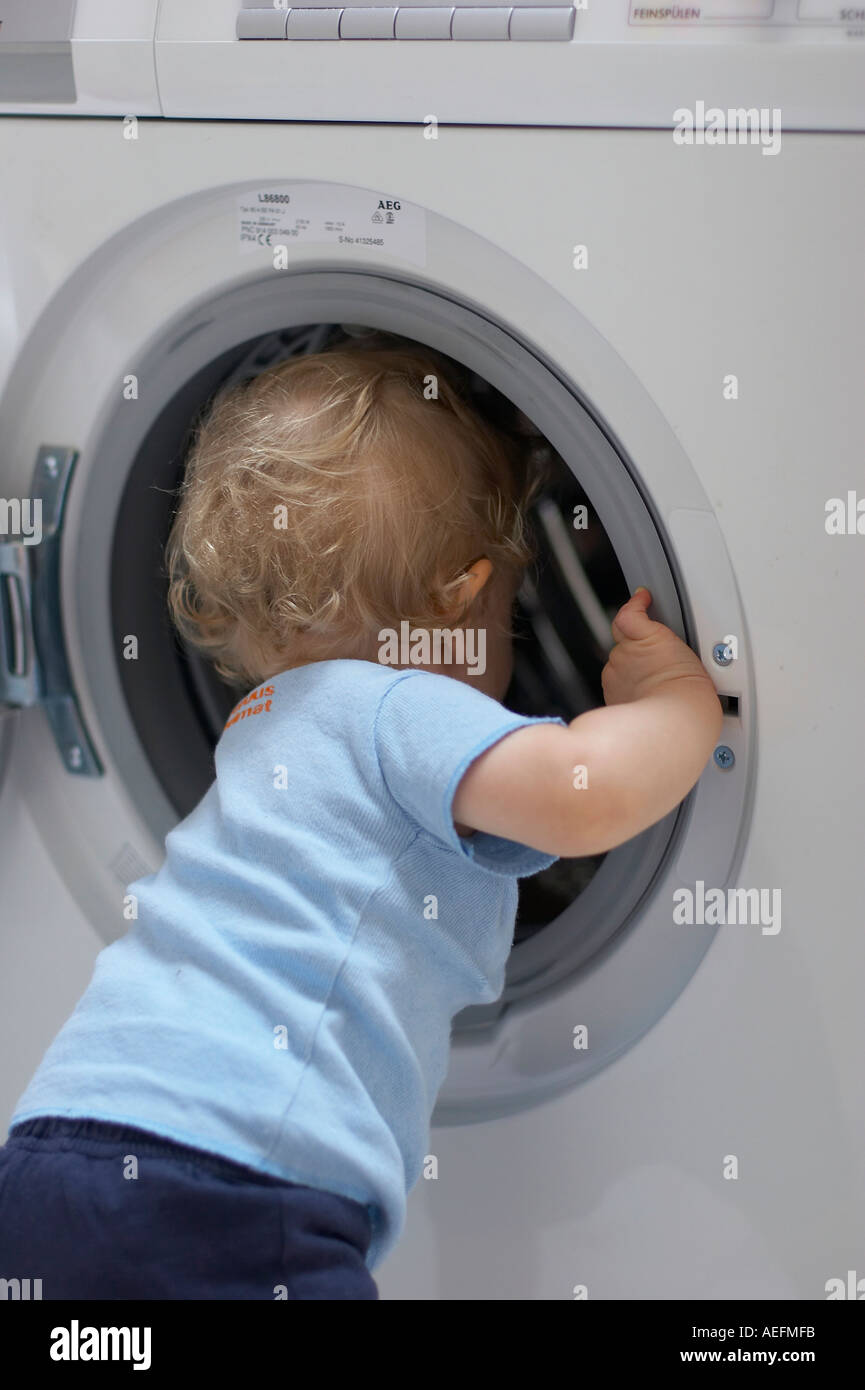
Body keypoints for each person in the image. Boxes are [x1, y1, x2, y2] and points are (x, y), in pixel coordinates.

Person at [0, 345, 722, 1299]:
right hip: (228, 1183)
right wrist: (676, 706)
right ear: (459, 600)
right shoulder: (396, 705)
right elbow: (584, 791)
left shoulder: (261, 728)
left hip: (55, 1151)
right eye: (507, 607)